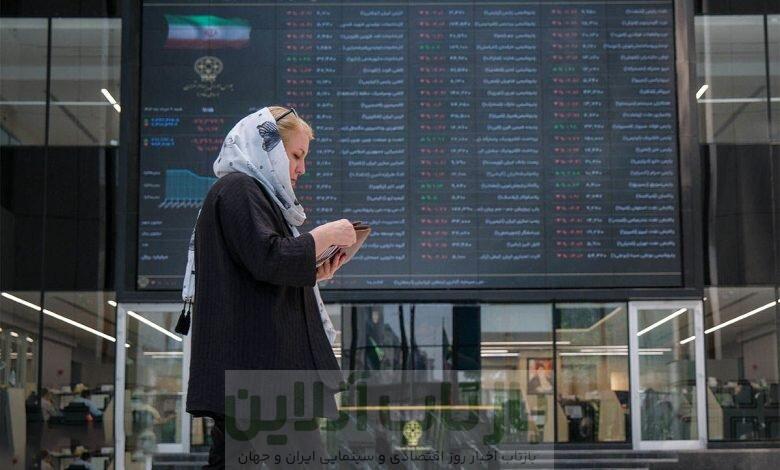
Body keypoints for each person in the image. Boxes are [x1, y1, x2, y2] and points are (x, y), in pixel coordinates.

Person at [184, 106, 355, 469]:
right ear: (268, 149)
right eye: (296, 155)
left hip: (252, 374)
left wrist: (312, 272)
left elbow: (256, 270)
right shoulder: (240, 188)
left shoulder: (244, 192)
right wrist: (323, 236)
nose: (302, 168)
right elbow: (268, 257)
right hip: (263, 378)